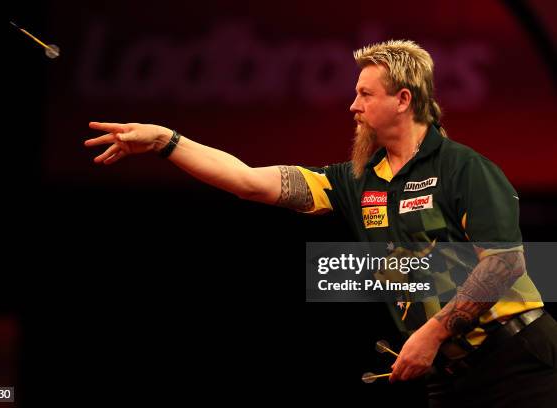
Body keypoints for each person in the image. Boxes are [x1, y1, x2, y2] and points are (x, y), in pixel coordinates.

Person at [85, 40, 557, 406]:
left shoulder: (462, 168)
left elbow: (504, 264)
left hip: (519, 362)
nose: (353, 107)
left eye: (364, 95)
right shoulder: (355, 182)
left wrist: (431, 334)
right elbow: (248, 181)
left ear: (403, 100)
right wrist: (168, 141)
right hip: (450, 379)